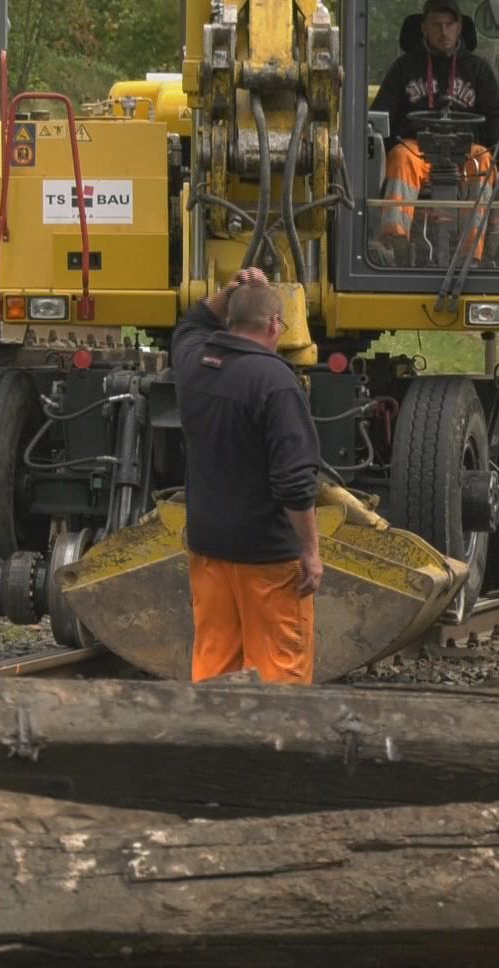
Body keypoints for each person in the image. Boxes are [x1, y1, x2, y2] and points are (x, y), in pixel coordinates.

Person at [172, 268, 324, 684]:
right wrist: (309, 551)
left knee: (214, 663)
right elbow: (294, 482)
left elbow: (192, 321)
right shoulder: (276, 383)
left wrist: (232, 290)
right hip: (267, 557)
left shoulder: (192, 364)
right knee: (278, 668)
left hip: (208, 548)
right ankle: (274, 747)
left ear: (230, 322)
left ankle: (212, 744)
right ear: (275, 325)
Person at [369, 0, 499, 256]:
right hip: (418, 149)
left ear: (460, 28)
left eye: (449, 25)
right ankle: (396, 244)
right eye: (436, 25)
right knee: (401, 157)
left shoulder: (478, 69)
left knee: (482, 162)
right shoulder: (403, 68)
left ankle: (473, 255)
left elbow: (496, 117)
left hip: (465, 150)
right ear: (424, 28)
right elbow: (382, 117)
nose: (443, 32)